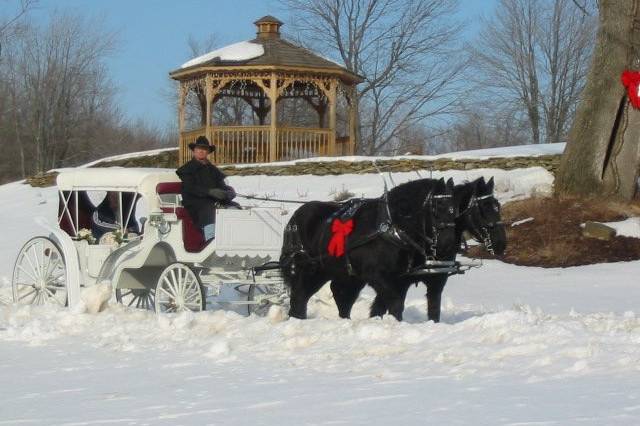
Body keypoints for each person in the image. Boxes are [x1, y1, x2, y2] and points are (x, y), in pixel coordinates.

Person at [176, 136, 237, 241]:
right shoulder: (186, 170)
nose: (201, 151)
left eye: (204, 149)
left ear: (208, 152)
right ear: (194, 150)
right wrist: (209, 191)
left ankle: (234, 238)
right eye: (199, 149)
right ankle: (211, 239)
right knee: (209, 209)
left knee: (234, 207)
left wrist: (229, 192)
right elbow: (190, 188)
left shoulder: (213, 170)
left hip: (213, 201)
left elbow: (221, 185)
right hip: (195, 203)